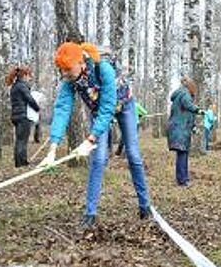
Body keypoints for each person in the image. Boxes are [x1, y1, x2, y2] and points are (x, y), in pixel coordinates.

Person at [39, 42, 151, 228]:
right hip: (98, 111)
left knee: (133, 155)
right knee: (98, 160)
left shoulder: (103, 68)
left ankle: (145, 205)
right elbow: (62, 109)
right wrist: (52, 148)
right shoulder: (69, 80)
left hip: (123, 105)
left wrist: (90, 139)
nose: (64, 74)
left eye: (67, 69)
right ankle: (90, 214)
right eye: (62, 70)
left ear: (81, 63)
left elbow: (108, 107)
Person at [166, 75, 204, 187]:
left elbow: (187, 114)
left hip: (180, 129)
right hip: (179, 129)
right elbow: (189, 106)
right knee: (182, 154)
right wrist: (199, 110)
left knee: (183, 154)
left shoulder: (180, 95)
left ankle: (183, 178)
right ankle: (182, 181)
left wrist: (193, 127)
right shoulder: (184, 94)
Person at [6, 66, 40, 168]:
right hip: (23, 116)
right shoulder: (22, 86)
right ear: (24, 75)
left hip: (16, 116)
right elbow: (29, 99)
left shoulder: (14, 86)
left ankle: (18, 162)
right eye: (29, 76)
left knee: (19, 140)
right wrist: (37, 108)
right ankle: (22, 163)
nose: (30, 78)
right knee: (22, 141)